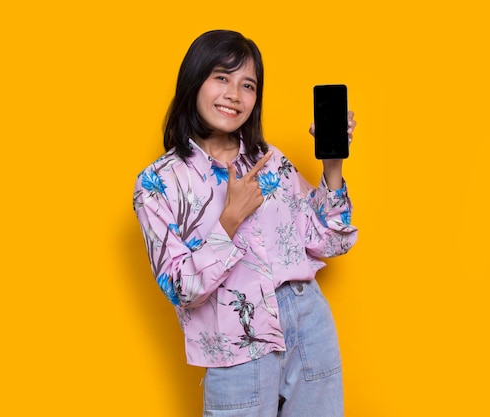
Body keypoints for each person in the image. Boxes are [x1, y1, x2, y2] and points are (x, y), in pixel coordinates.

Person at [132, 29, 358, 417]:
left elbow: (330, 242)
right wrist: (229, 221)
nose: (234, 94)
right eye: (222, 77)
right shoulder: (157, 183)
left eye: (247, 84)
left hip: (308, 324)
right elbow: (182, 288)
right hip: (235, 338)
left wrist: (332, 166)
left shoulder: (270, 159)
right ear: (194, 80)